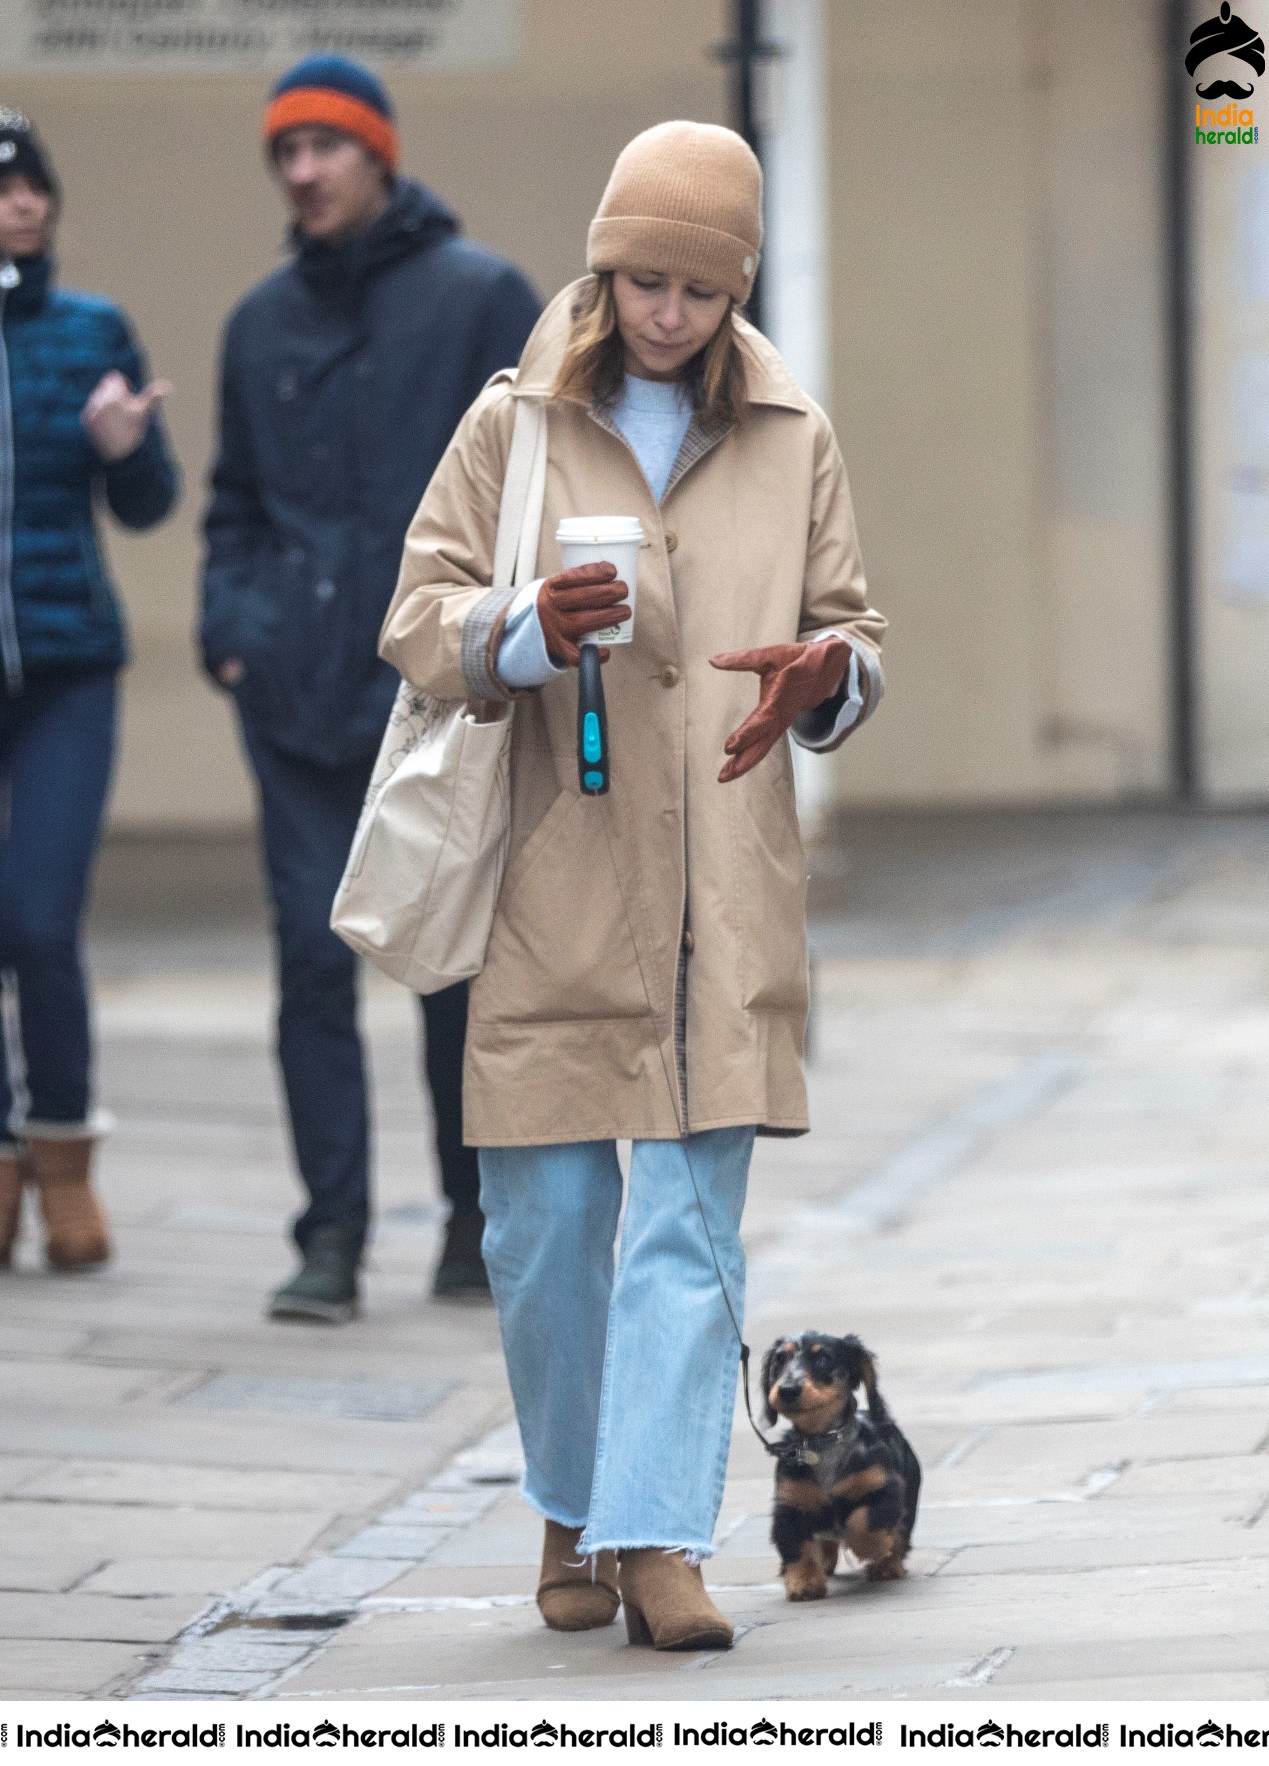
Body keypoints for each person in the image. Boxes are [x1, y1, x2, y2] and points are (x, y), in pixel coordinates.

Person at [379, 121, 887, 1650]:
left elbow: (854, 633)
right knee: (537, 1226)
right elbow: (419, 620)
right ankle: (567, 1501)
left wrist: (824, 682)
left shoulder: (794, 436)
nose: (664, 312)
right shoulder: (510, 426)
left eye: (695, 289)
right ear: (603, 269)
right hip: (553, 876)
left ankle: (657, 1535)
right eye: (639, 279)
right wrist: (524, 625)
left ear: (734, 292)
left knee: (688, 1222)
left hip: (721, 888)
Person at [200, 58, 540, 1322]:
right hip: (288, 696)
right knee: (307, 960)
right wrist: (232, 630)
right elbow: (232, 501)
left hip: (439, 692)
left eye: (324, 148)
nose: (302, 172)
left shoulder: (479, 297)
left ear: (378, 155)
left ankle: (468, 1219)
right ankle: (330, 1232)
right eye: (283, 153)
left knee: (452, 962)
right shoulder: (258, 321)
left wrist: (503, 643)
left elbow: (537, 482)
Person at [0, 110, 179, 1274]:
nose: (20, 205)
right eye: (2, 189)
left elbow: (153, 502)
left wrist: (123, 446)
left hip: (66, 669)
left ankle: (62, 1158)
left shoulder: (88, 329)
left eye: (30, 188)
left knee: (39, 922)